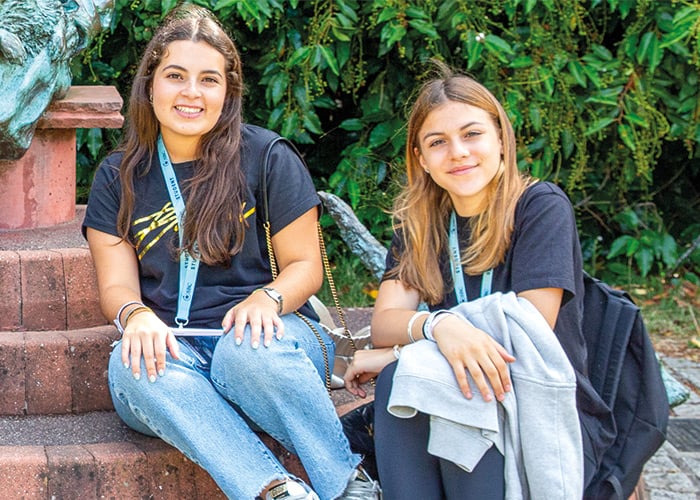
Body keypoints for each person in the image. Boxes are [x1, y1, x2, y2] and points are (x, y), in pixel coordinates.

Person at [82, 4, 380, 500]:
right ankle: (277, 492)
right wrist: (134, 315)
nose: (191, 93)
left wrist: (268, 299)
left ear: (229, 90)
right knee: (132, 368)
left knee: (246, 354)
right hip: (175, 349)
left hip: (272, 336)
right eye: (176, 76)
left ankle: (349, 484)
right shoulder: (117, 177)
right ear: (150, 84)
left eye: (209, 80)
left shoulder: (267, 156)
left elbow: (305, 267)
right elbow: (116, 286)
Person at [344, 64, 609, 499]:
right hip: (456, 394)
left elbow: (528, 328)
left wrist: (393, 353)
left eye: (472, 134)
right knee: (408, 380)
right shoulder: (421, 224)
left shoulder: (540, 207)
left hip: (537, 405)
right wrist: (438, 327)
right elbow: (385, 321)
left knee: (416, 374)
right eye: (438, 143)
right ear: (422, 160)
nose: (458, 152)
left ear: (501, 140)